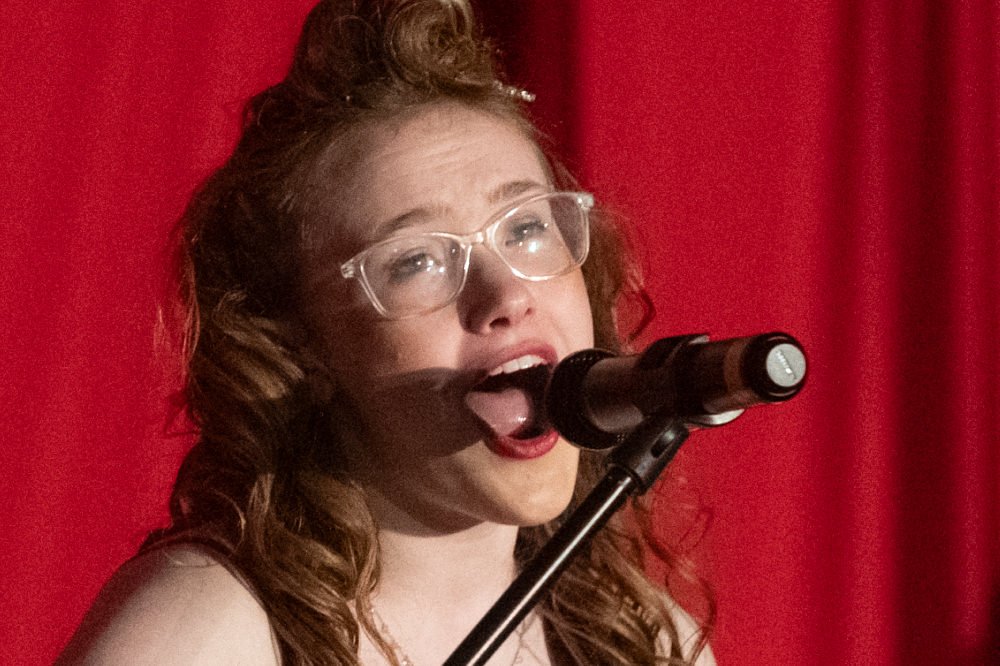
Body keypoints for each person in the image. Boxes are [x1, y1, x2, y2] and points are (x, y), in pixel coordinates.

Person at [58, 1, 715, 663]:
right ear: (299, 343)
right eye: (416, 261)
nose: (508, 294)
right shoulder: (201, 633)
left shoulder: (649, 645)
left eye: (525, 227)